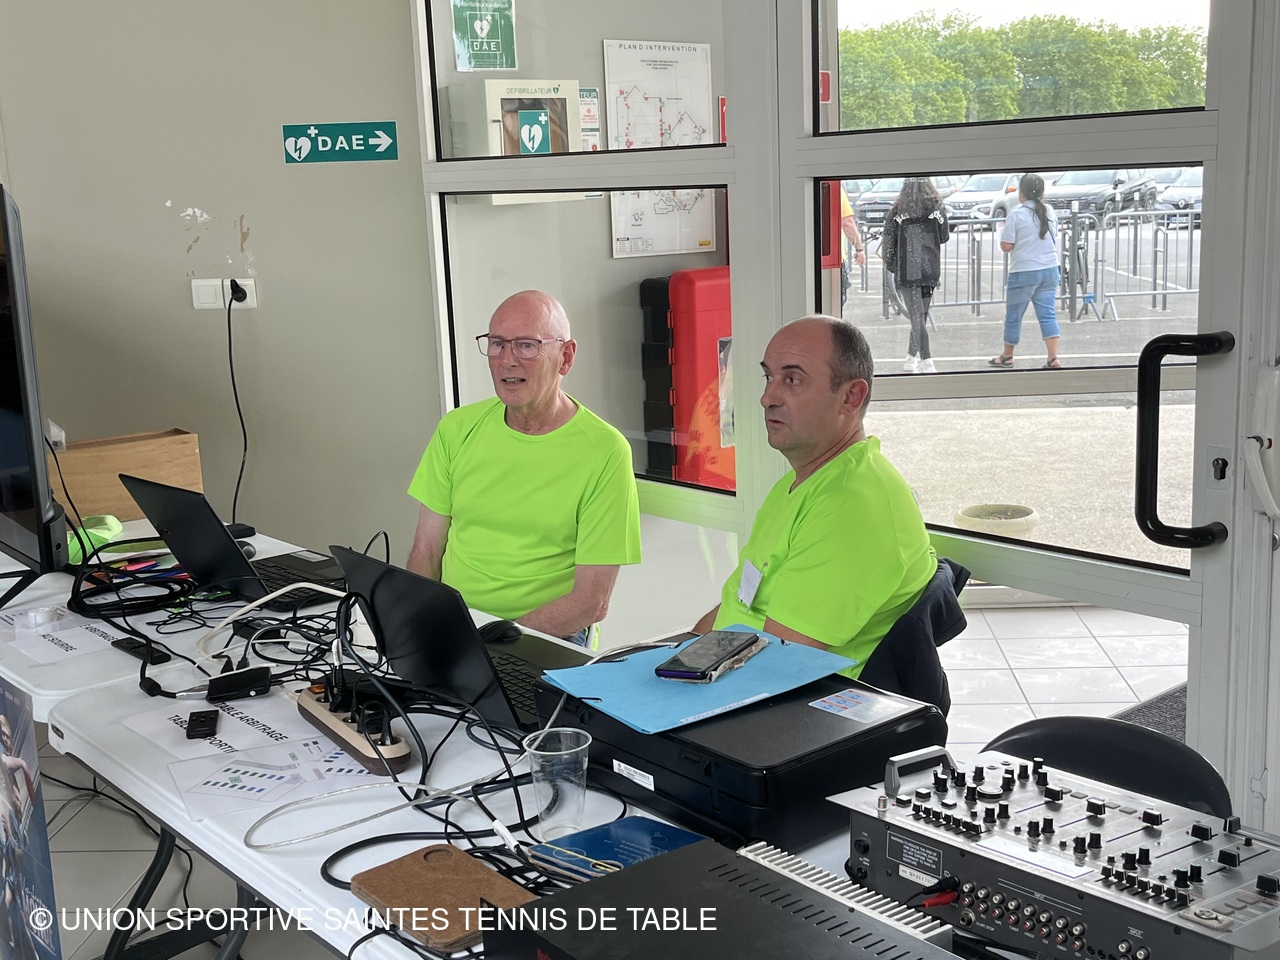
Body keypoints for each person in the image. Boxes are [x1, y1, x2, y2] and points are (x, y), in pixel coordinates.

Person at [692, 316, 937, 678]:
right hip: (728, 673)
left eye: (792, 380)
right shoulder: (804, 482)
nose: (767, 397)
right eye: (769, 377)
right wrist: (676, 654)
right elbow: (739, 601)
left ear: (851, 397)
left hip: (785, 703)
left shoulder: (851, 506)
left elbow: (778, 667)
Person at [407, 290, 641, 645]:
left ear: (565, 357)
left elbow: (591, 602)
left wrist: (492, 644)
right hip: (456, 629)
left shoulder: (605, 451)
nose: (507, 360)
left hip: (545, 637)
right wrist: (421, 627)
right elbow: (426, 550)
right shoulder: (457, 429)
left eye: (527, 346)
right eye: (498, 344)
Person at [990, 173, 1062, 369]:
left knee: (1014, 316)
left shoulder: (1016, 214)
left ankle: (1007, 356)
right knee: (1047, 315)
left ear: (1022, 193)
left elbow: (1006, 245)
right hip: (1050, 269)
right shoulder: (1049, 211)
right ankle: (1053, 358)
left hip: (1024, 271)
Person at [881, 178, 950, 374]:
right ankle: (911, 357)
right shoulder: (937, 207)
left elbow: (888, 243)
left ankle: (926, 360)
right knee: (920, 316)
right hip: (930, 267)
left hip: (907, 268)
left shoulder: (897, 211)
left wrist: (892, 265)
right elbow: (944, 236)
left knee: (916, 317)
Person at [838, 185, 867, 312]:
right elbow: (847, 223)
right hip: (835, 259)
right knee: (838, 298)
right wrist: (859, 249)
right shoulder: (837, 190)